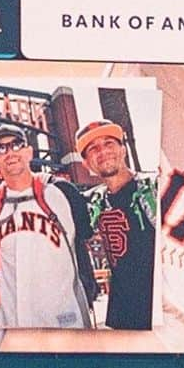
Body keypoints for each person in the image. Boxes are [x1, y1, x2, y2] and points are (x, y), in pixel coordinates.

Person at [0, 124, 96, 329]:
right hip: (14, 324)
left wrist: (89, 291)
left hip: (66, 320)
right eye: (1, 149)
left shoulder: (62, 191)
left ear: (29, 151)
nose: (10, 153)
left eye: (16, 145)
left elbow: (84, 239)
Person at [75, 119, 157, 331]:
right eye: (92, 148)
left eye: (109, 143)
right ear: (86, 164)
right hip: (123, 311)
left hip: (160, 309)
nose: (102, 151)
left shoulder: (154, 188)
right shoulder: (94, 202)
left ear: (123, 150)